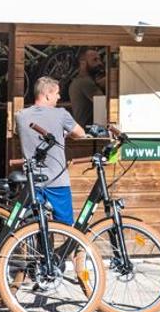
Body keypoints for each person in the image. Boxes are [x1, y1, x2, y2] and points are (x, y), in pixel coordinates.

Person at [15, 75, 85, 224]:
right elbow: (80, 134)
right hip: (57, 181)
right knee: (66, 227)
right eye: (57, 93)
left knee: (33, 226)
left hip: (32, 182)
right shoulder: (61, 114)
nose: (59, 97)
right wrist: (64, 134)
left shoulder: (21, 116)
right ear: (47, 95)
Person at [68, 48, 106, 127]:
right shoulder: (85, 82)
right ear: (83, 63)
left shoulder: (78, 81)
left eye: (99, 59)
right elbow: (103, 104)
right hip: (88, 131)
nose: (99, 63)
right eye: (95, 60)